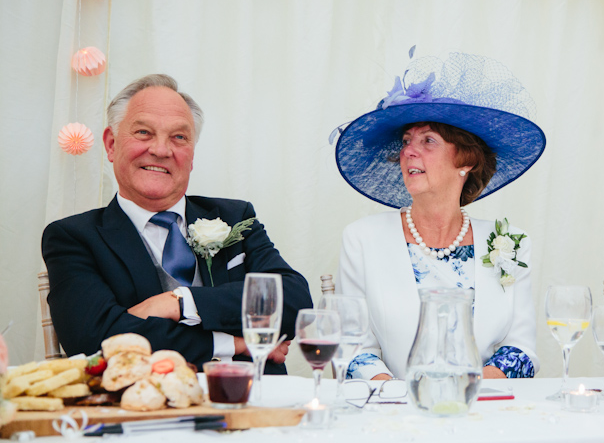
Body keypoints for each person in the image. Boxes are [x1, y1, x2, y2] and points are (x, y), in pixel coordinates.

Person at [41, 74, 312, 373]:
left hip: (256, 395)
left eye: (179, 137)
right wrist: (234, 343)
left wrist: (180, 302)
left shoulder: (235, 216)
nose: (161, 150)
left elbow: (294, 301)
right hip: (145, 399)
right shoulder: (73, 237)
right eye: (143, 132)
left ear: (192, 155)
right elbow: (95, 340)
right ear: (111, 144)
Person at [334, 52, 546, 380]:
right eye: (406, 141)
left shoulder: (509, 242)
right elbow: (352, 348)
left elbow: (521, 350)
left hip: (484, 404)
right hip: (395, 405)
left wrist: (465, 392)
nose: (408, 151)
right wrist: (401, 398)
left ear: (466, 160)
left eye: (428, 141)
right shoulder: (362, 239)